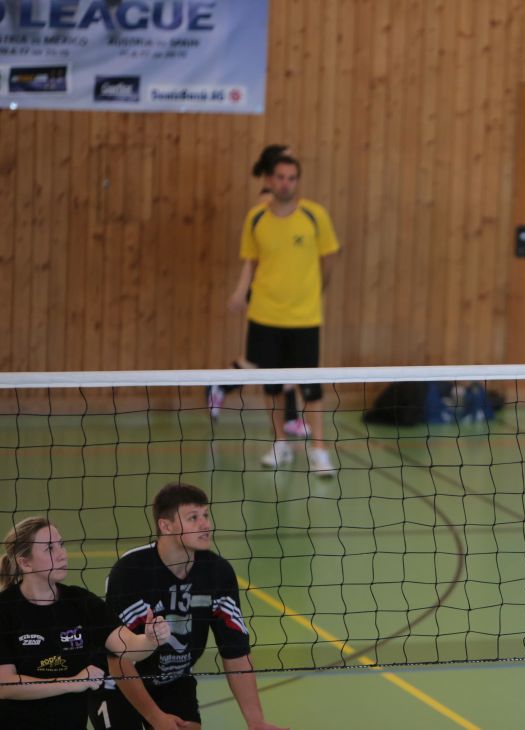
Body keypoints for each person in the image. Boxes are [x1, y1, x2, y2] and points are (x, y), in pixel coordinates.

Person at [97, 483, 286, 730]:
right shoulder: (131, 572)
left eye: (206, 515)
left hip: (175, 680)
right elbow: (118, 660)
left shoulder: (217, 573)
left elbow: (236, 653)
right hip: (117, 682)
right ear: (166, 526)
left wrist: (256, 722)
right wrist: (156, 718)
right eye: (193, 518)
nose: (205, 524)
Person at [0, 517, 170, 729]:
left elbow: (128, 646)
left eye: (61, 544)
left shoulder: (81, 603)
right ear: (25, 563)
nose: (62, 554)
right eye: (49, 548)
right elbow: (5, 685)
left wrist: (150, 639)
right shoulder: (5, 610)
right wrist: (72, 682)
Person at [229, 154, 340, 476]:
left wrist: (316, 291)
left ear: (297, 181)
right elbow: (251, 261)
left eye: (292, 178)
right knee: (272, 386)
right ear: (270, 180)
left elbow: (329, 258)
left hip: (305, 317)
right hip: (264, 315)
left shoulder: (315, 215)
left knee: (311, 387)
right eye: (280, 177)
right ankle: (280, 444)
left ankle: (319, 450)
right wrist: (240, 292)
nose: (286, 183)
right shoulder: (255, 219)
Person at [207, 144, 310, 441]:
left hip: (288, 298)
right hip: (269, 297)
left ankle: (287, 417)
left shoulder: (286, 204)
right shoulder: (267, 204)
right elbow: (252, 259)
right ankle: (286, 418)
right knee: (272, 363)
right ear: (272, 171)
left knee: (267, 361)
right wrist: (242, 291)